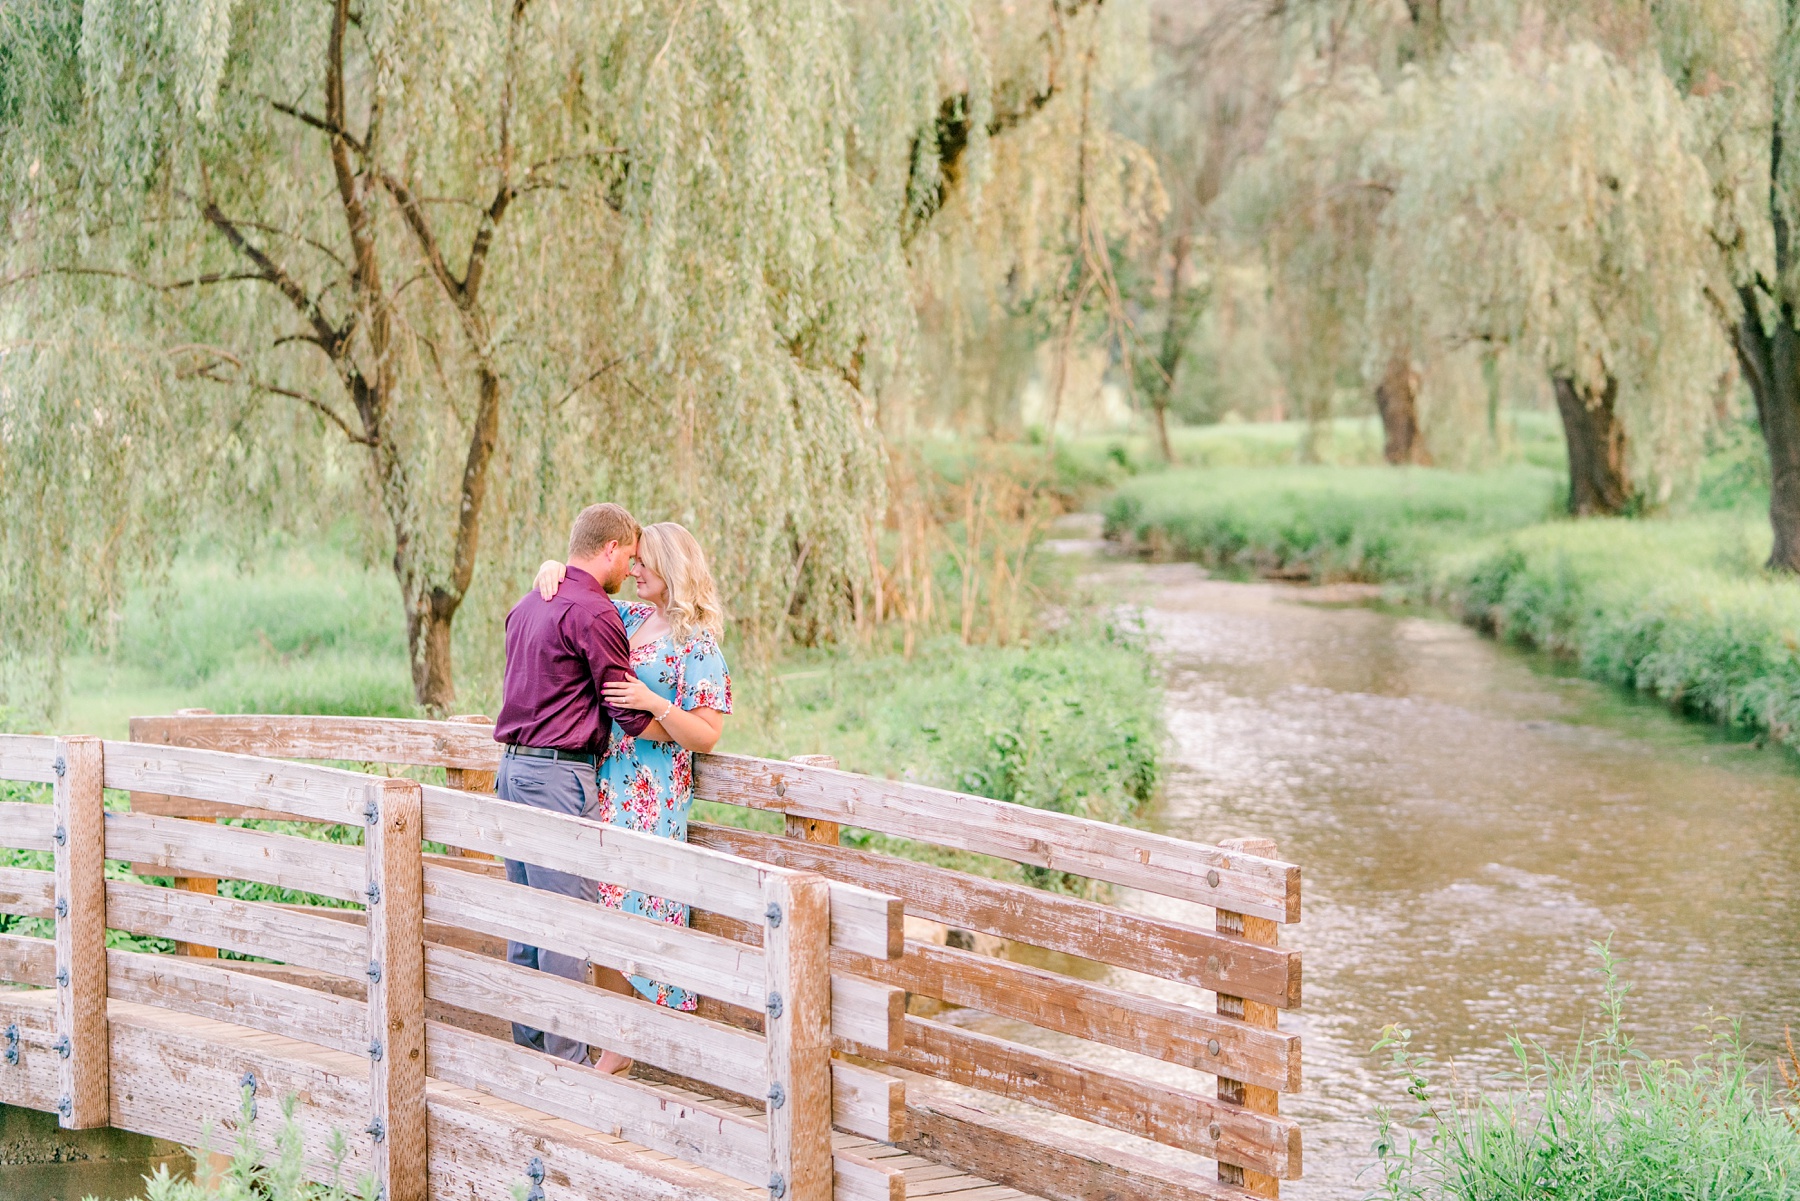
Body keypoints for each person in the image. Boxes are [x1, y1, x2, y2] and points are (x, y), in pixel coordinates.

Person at [533, 522, 731, 1069]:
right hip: (604, 778)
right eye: (633, 560)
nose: (633, 569)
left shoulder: (699, 644)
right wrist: (553, 571)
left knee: (634, 904)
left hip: (653, 789)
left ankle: (625, 1045)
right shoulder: (629, 618)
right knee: (600, 902)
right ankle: (621, 1037)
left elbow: (708, 734)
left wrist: (652, 701)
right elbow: (574, 603)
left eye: (643, 562)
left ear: (670, 568)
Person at [491, 502, 650, 1067]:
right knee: (566, 924)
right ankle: (570, 1066)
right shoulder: (594, 610)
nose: (631, 569)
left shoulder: (528, 604)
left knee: (527, 918)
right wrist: (675, 725)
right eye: (629, 557)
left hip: (511, 771)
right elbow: (624, 704)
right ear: (610, 549)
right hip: (559, 776)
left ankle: (532, 1052)